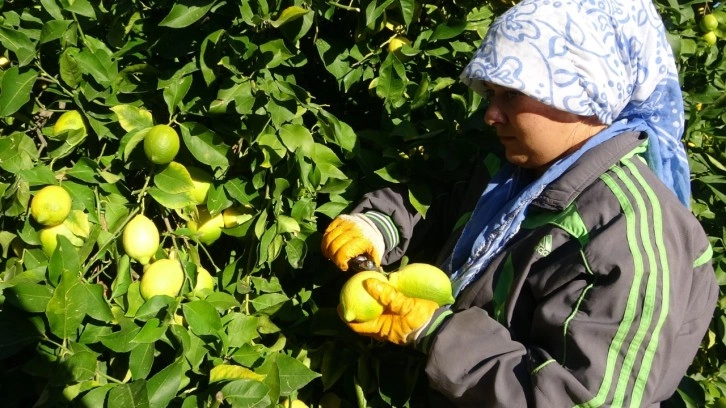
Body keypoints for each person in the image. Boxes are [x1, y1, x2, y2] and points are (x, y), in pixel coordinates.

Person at [320, 0, 719, 406]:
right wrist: (377, 224)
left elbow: (580, 400)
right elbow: (442, 202)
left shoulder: (628, 234)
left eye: (512, 94)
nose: (491, 114)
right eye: (491, 93)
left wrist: (439, 334)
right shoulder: (515, 172)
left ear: (582, 92)